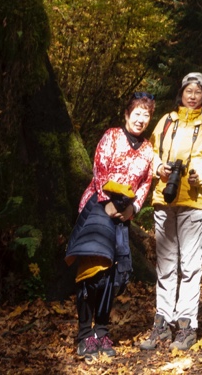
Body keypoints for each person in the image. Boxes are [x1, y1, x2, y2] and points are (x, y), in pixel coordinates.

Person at [140, 71, 202, 352]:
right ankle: (162, 322)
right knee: (165, 266)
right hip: (164, 201)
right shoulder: (166, 121)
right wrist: (158, 168)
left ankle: (187, 324)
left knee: (189, 266)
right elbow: (149, 152)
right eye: (188, 90)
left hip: (193, 202)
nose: (192, 95)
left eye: (197, 91)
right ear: (181, 93)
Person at [73, 92, 158, 358]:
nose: (141, 119)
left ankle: (102, 330)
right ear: (127, 114)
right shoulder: (111, 136)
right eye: (137, 113)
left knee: (113, 275)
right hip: (97, 210)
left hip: (122, 216)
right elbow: (99, 169)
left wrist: (134, 208)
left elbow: (146, 182)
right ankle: (84, 334)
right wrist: (105, 202)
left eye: (146, 114)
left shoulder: (148, 149)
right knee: (91, 272)